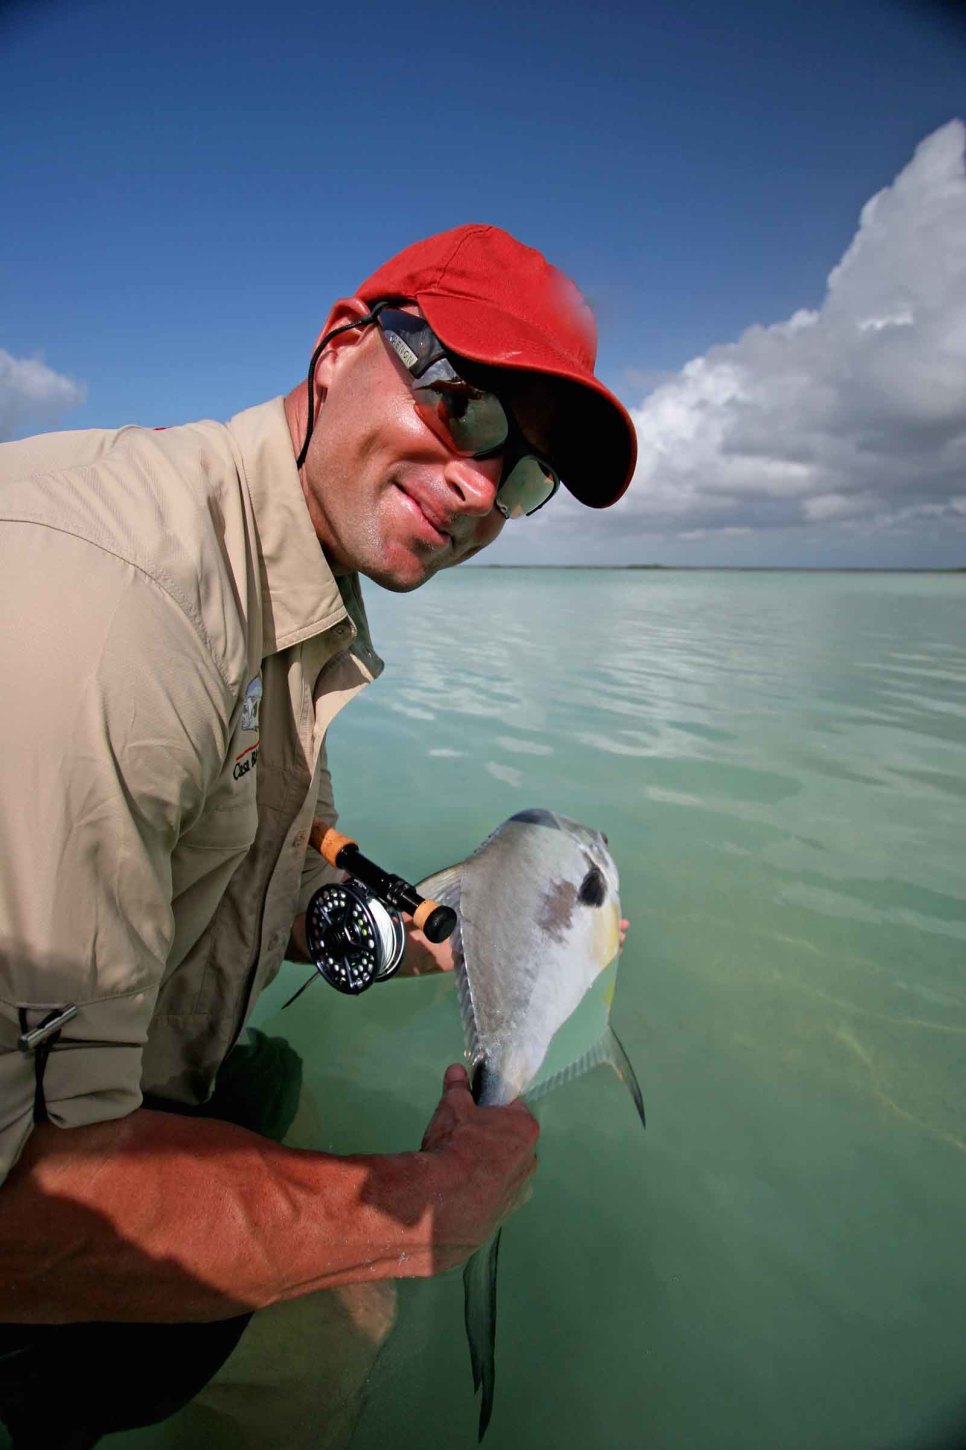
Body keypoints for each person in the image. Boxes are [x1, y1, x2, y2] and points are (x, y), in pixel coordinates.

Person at [0, 223, 637, 1446]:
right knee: (344, 1320)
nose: (480, 488)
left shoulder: (293, 580)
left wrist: (419, 930)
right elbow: (17, 1198)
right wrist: (425, 1205)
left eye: (525, 477)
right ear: (343, 347)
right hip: (37, 1207)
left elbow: (268, 852)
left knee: (279, 1104)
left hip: (126, 1083)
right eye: (466, 408)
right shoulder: (125, 621)